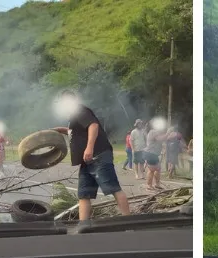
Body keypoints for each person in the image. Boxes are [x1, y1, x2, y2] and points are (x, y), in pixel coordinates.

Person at [50, 91, 130, 221]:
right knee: (83, 194)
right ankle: (83, 225)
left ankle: (129, 222)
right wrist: (62, 130)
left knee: (113, 188)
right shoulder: (73, 116)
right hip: (86, 160)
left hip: (98, 155)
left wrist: (89, 147)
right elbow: (77, 132)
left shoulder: (80, 110)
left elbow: (93, 125)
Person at [144, 123, 168, 191]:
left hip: (153, 154)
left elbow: (160, 141)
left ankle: (157, 184)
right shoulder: (153, 132)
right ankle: (149, 185)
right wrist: (168, 133)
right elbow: (160, 139)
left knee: (158, 168)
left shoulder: (154, 132)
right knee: (151, 170)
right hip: (150, 153)